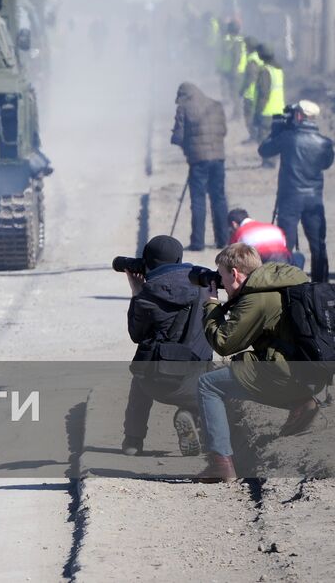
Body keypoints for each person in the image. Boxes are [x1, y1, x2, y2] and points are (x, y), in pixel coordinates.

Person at [193, 243, 322, 482]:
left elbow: (223, 343)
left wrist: (210, 303)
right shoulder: (281, 284)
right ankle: (301, 401)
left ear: (234, 273)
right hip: (307, 370)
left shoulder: (257, 299)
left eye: (221, 276)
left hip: (285, 371)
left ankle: (220, 463)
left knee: (208, 385)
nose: (220, 283)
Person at [120, 235, 213, 457]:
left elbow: (136, 335)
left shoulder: (146, 296)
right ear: (179, 259)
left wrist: (137, 292)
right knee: (208, 368)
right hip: (195, 386)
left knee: (139, 377)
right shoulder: (204, 288)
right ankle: (192, 415)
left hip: (154, 383)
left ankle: (133, 440)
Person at [258, 100, 333, 283]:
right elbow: (325, 164)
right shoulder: (324, 143)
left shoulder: (288, 137)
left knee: (286, 245)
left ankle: (287, 282)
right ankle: (320, 284)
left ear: (299, 115)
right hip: (314, 198)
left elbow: (264, 150)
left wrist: (276, 131)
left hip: (290, 198)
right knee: (318, 245)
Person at [171, 82, 228, 250]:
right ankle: (223, 239)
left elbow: (178, 137)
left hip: (198, 161)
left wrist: (186, 147)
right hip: (218, 158)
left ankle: (197, 242)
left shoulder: (184, 107)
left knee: (198, 200)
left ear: (183, 95)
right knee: (219, 198)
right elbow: (223, 131)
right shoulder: (215, 105)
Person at [226, 207, 290, 263]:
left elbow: (231, 256)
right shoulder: (273, 228)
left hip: (262, 262)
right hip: (284, 260)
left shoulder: (239, 232)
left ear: (234, 224)